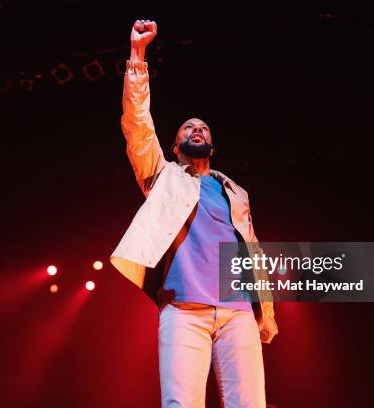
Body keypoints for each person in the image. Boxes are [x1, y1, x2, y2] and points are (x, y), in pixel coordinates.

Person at [110, 19, 278, 408]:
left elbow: (253, 252)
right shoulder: (161, 176)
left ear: (212, 147)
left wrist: (265, 311)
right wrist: (138, 54)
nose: (197, 129)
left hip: (238, 314)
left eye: (203, 128)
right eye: (189, 127)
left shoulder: (235, 191)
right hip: (185, 310)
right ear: (175, 143)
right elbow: (136, 123)